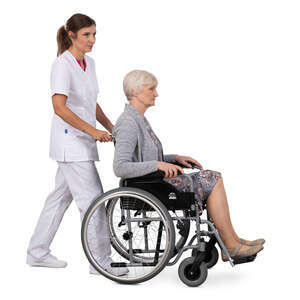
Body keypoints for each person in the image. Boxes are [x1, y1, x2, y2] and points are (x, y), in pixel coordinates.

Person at [113, 70, 265, 261]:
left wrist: (174, 158)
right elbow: (121, 167)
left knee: (212, 177)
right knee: (212, 178)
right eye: (151, 89)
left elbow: (146, 158)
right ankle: (231, 244)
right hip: (151, 186)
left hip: (157, 181)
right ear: (136, 92)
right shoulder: (128, 123)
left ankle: (233, 240)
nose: (156, 93)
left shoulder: (139, 119)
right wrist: (158, 164)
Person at [26, 13, 128, 276]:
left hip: (83, 141)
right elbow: (59, 107)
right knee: (93, 200)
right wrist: (92, 131)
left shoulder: (89, 63)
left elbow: (89, 102)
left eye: (94, 34)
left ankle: (37, 252)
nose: (92, 40)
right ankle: (100, 262)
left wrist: (111, 127)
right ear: (71, 35)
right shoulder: (62, 65)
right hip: (70, 144)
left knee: (58, 199)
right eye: (86, 35)